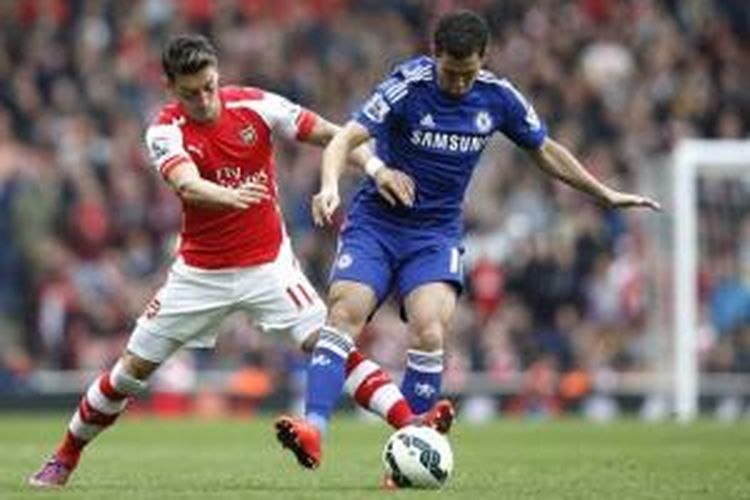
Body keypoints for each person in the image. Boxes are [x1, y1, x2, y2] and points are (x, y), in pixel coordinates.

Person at [28, 34, 450, 488]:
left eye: (210, 86)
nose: (205, 100)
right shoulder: (165, 130)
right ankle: (64, 457)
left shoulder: (255, 106)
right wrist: (229, 196)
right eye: (191, 92)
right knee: (131, 372)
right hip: (198, 275)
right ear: (171, 88)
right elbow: (188, 186)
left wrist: (375, 168)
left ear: (218, 75)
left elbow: (334, 134)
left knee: (332, 344)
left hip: (268, 267)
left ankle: (412, 427)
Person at [276, 10, 660, 470]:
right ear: (434, 54)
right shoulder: (408, 84)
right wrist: (331, 186)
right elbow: (343, 139)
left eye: (468, 73)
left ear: (484, 60)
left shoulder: (498, 97)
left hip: (435, 234)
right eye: (450, 72)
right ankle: (313, 430)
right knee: (343, 313)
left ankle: (411, 456)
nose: (458, 84)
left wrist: (603, 192)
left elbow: (545, 150)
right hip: (377, 224)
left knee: (430, 328)